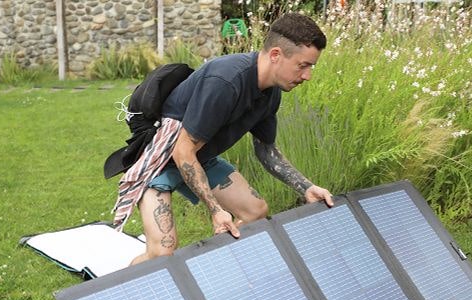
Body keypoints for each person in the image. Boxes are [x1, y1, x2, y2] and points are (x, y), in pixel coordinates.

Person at [112, 12, 334, 266]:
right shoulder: (226, 81)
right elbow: (182, 151)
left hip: (198, 157)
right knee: (162, 254)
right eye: (302, 65)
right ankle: (124, 290)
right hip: (160, 161)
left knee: (255, 212)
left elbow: (266, 151)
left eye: (310, 67)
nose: (307, 75)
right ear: (276, 55)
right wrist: (216, 210)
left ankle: (212, 275)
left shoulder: (270, 94)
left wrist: (306, 187)